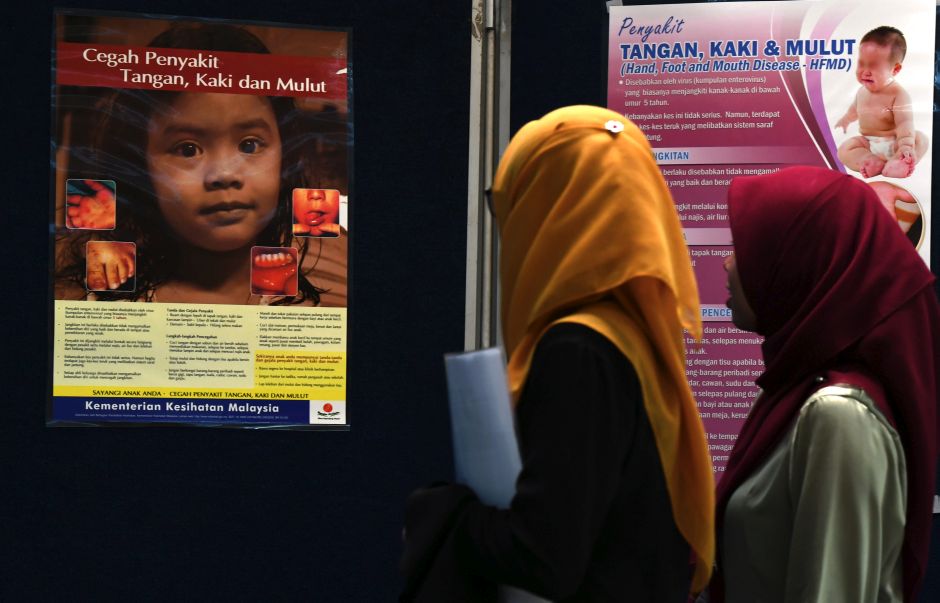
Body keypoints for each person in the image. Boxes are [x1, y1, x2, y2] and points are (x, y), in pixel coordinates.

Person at [400, 106, 715, 602]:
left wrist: (437, 513)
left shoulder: (578, 351)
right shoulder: (637, 334)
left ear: (550, 206)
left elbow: (542, 555)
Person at [711, 166, 938, 602]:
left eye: (745, 247)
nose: (727, 261)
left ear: (794, 264)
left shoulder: (838, 415)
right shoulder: (796, 390)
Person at [54, 23, 347, 306]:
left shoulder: (334, 282)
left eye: (249, 145)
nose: (224, 174)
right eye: (188, 150)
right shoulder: (80, 291)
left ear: (285, 153)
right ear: (140, 167)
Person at [834, 26, 928, 178]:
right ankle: (869, 161)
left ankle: (900, 161)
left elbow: (905, 123)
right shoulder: (861, 91)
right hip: (868, 143)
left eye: (874, 65)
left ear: (895, 69)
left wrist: (905, 145)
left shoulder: (898, 94)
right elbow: (854, 110)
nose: (865, 71)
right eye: (861, 64)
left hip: (896, 141)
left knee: (921, 139)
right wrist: (846, 119)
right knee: (844, 149)